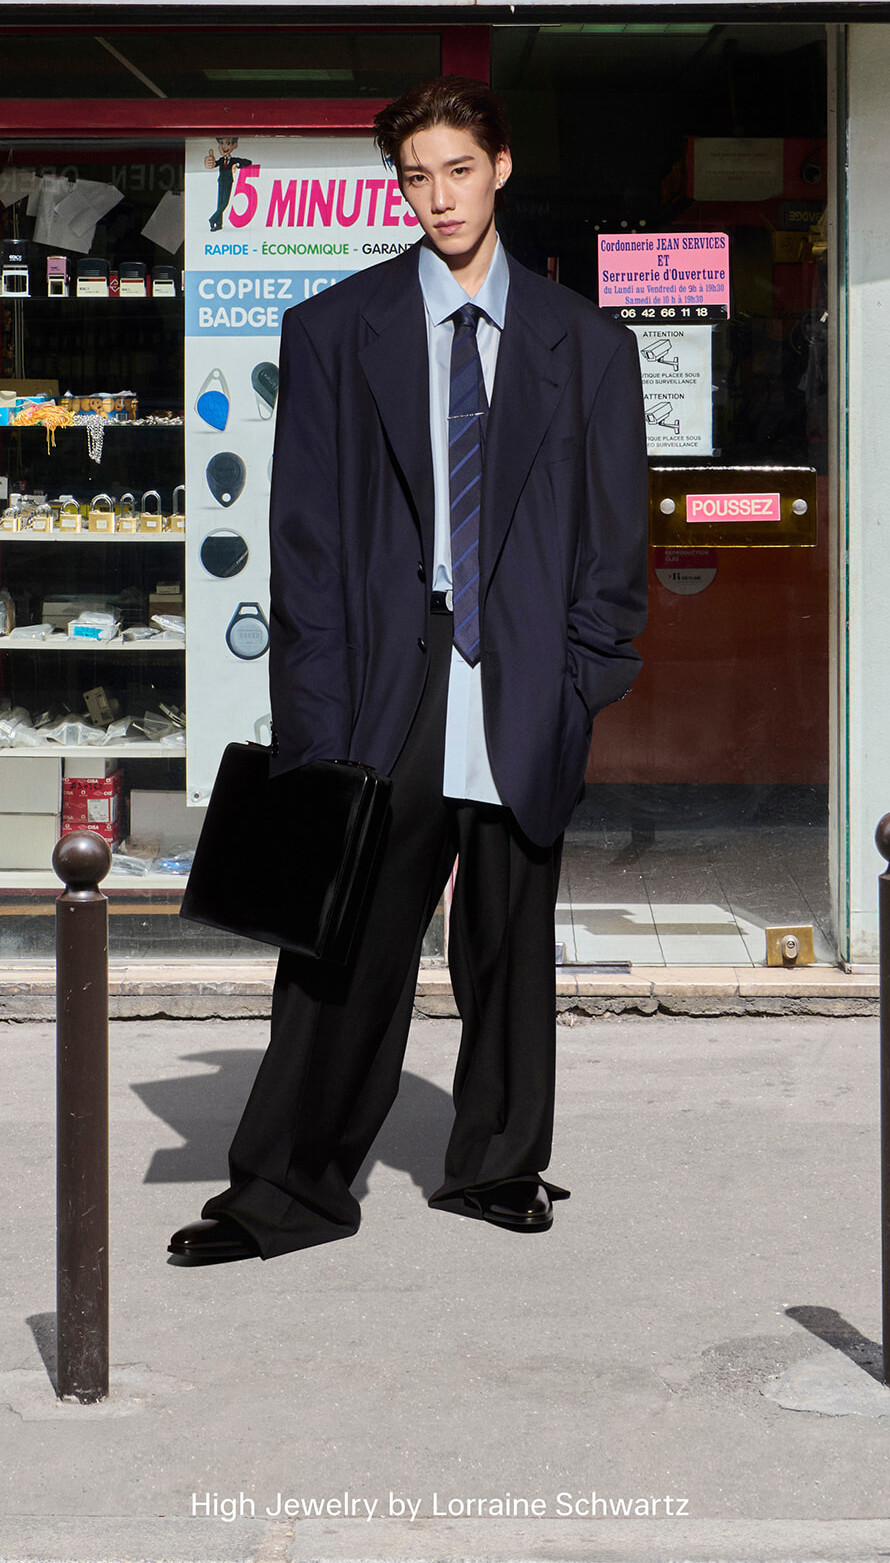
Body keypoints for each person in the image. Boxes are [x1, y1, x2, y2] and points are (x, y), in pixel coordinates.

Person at [170, 76, 648, 1264]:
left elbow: (616, 534)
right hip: (394, 674)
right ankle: (287, 1189)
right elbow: (308, 544)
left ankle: (496, 1167)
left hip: (528, 674)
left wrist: (583, 680)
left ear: (498, 170)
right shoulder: (338, 331)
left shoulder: (586, 343)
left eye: (456, 170)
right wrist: (316, 723)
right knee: (342, 944)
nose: (436, 197)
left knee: (508, 938)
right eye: (415, 176)